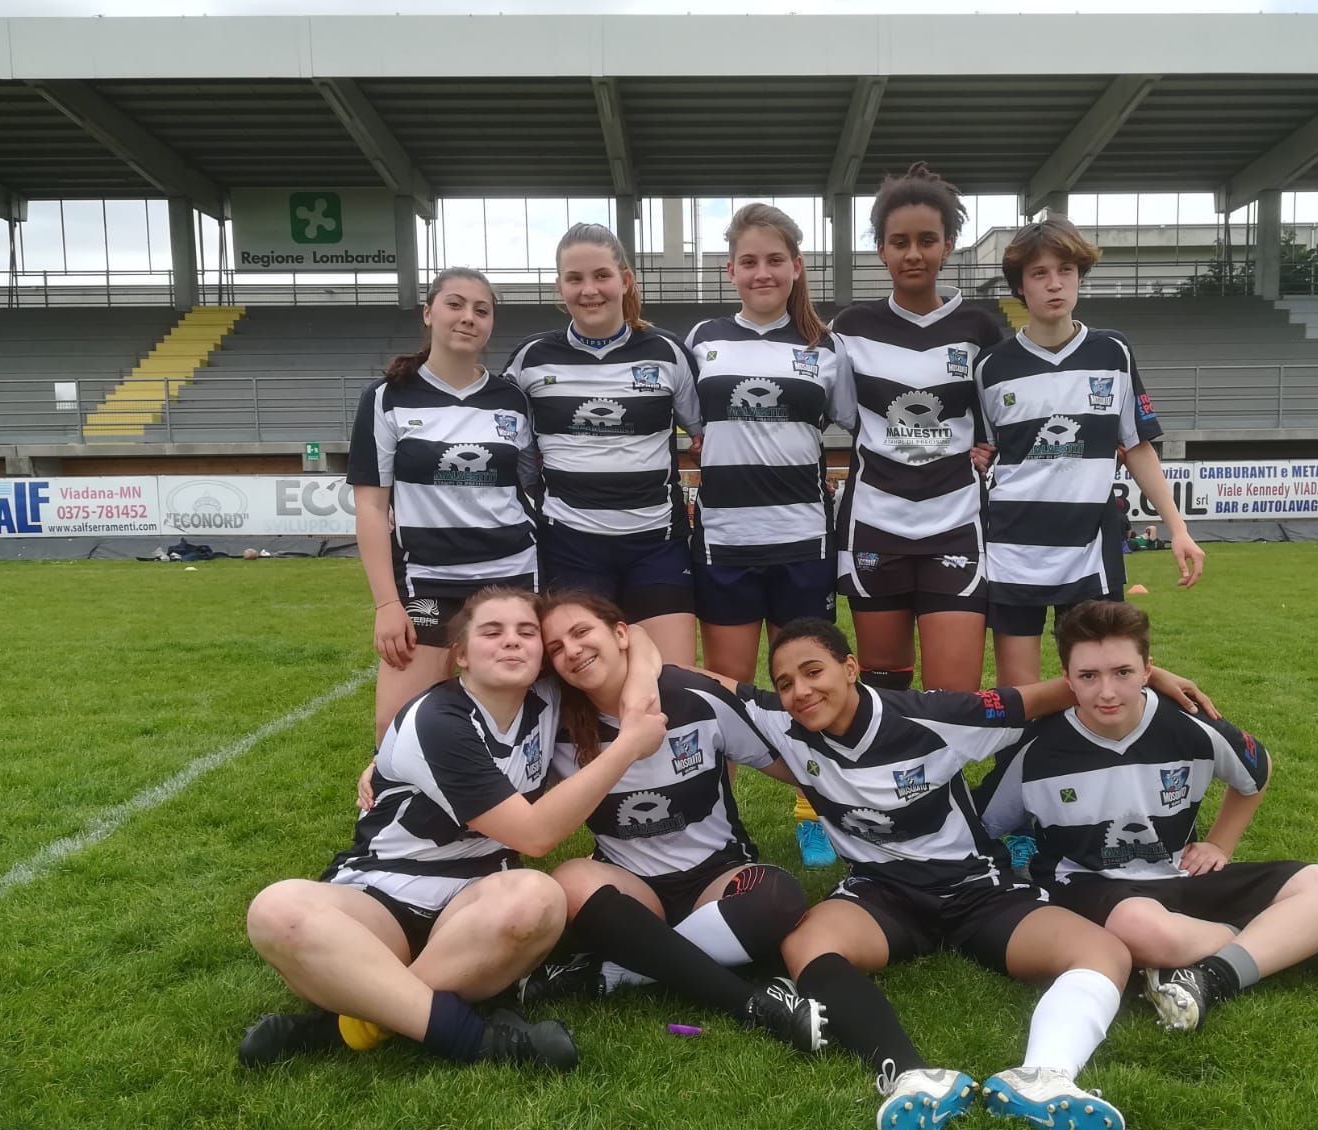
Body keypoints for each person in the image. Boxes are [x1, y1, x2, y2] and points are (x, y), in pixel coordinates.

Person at [721, 618, 1215, 1130]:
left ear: (851, 667)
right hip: (880, 894)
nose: (800, 691)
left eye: (813, 671)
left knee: (1105, 953)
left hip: (975, 889)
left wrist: (1149, 676)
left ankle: (1044, 1078)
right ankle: (910, 1078)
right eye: (786, 682)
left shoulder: (934, 717)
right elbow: (707, 683)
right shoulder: (782, 721)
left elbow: (1038, 698)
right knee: (805, 943)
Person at [238, 587, 668, 1071]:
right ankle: (477, 1037)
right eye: (492, 632)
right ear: (461, 654)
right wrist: (628, 745)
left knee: (538, 898)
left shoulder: (546, 694)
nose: (512, 641)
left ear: (539, 654)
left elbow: (638, 638)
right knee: (276, 911)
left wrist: (638, 691)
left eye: (526, 632)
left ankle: (350, 1023)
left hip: (476, 902)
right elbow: (534, 835)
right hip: (382, 895)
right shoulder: (438, 720)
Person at [977, 600, 1318, 1032]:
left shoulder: (1189, 725)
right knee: (1142, 929)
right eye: (1089, 676)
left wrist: (1220, 844)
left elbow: (1257, 771)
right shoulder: (1034, 750)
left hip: (1181, 875)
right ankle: (1289, 945)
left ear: (1148, 670)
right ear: (1067, 678)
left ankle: (1228, 964)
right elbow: (985, 825)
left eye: (1122, 672)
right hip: (1091, 886)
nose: (1107, 692)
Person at [511, 590, 826, 1054]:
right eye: (556, 648)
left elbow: (792, 765)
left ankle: (616, 972)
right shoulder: (554, 725)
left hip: (716, 877)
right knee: (569, 884)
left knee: (778, 898)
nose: (572, 651)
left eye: (581, 632)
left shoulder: (693, 696)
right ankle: (750, 1003)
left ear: (621, 634)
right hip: (631, 889)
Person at [685, 202, 857, 870]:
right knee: (726, 694)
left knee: (812, 691)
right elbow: (690, 426)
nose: (763, 272)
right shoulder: (702, 340)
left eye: (775, 260)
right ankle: (717, 827)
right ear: (730, 270)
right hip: (725, 544)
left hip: (803, 545)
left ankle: (818, 813)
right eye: (749, 261)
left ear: (796, 266)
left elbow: (863, 426)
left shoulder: (826, 347)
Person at [976, 216, 1205, 686]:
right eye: (1039, 273)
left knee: (1100, 685)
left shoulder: (1113, 352)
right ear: (1020, 286)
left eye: (1065, 270)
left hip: (1090, 552)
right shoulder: (991, 368)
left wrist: (1178, 529)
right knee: (1020, 695)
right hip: (1012, 551)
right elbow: (981, 452)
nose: (1054, 284)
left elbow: (1137, 446)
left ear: (1080, 276)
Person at [832, 163, 1004, 694]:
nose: (913, 254)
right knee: (885, 691)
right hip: (874, 523)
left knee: (954, 698)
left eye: (927, 240)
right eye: (899, 242)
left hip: (955, 522)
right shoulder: (850, 329)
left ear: (948, 245)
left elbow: (999, 415)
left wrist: (989, 449)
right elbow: (840, 413)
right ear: (880, 249)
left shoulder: (979, 328)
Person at [349, 267, 539, 740]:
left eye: (481, 310)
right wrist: (387, 604)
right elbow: (371, 509)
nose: (468, 317)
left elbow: (532, 483)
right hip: (427, 580)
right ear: (429, 313)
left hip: (510, 578)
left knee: (506, 722)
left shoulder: (512, 399)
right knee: (398, 728)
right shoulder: (386, 398)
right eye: (455, 304)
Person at [505, 223, 703, 665]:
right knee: (584, 680)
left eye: (601, 276)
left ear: (625, 280)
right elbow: (509, 451)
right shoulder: (530, 359)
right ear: (559, 287)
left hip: (657, 544)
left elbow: (704, 438)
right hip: (569, 547)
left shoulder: (667, 352)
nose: (589, 290)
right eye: (574, 279)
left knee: (671, 679)